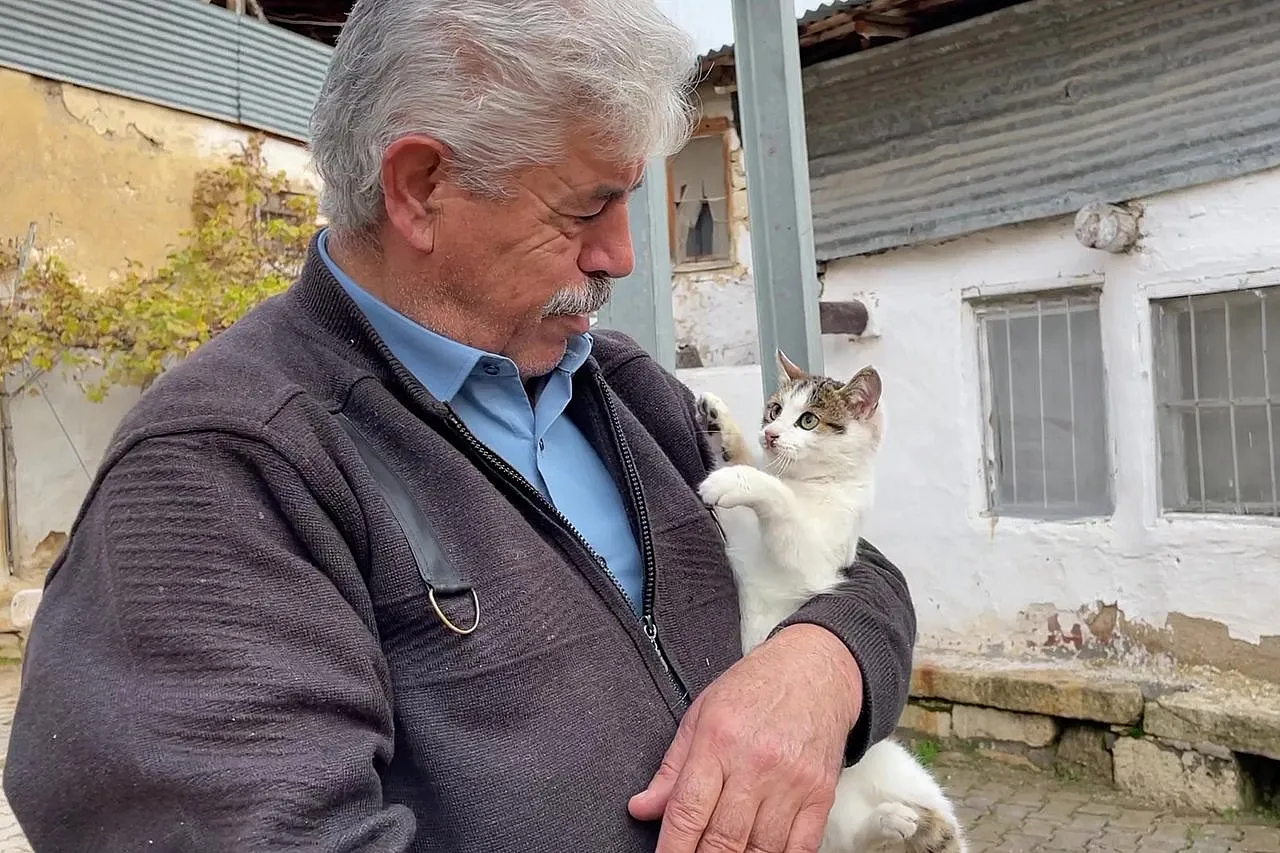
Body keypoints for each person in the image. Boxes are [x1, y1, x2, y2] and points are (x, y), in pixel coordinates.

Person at [3, 1, 916, 851]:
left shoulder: (622, 387)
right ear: (420, 187)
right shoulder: (222, 471)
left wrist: (819, 665)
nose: (622, 255)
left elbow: (850, 560)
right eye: (587, 205)